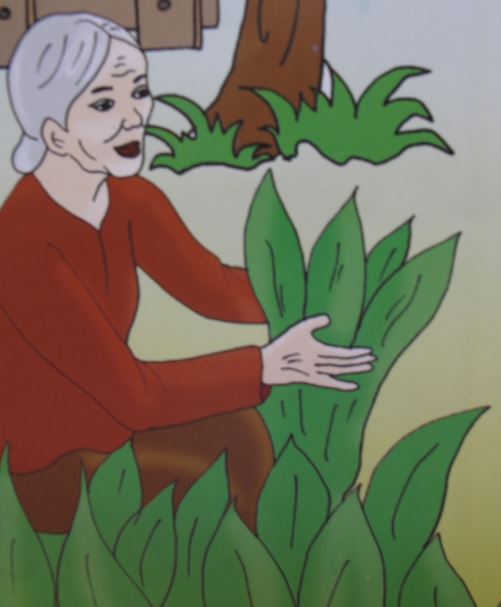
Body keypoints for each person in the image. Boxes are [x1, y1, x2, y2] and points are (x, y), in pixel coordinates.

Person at [0, 12, 374, 533]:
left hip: (112, 434)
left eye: (139, 92)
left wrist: (316, 294)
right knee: (203, 482)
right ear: (55, 134)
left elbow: (212, 288)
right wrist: (265, 365)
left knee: (242, 433)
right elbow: (135, 396)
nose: (134, 116)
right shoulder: (22, 242)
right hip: (43, 468)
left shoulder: (128, 198)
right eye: (104, 104)